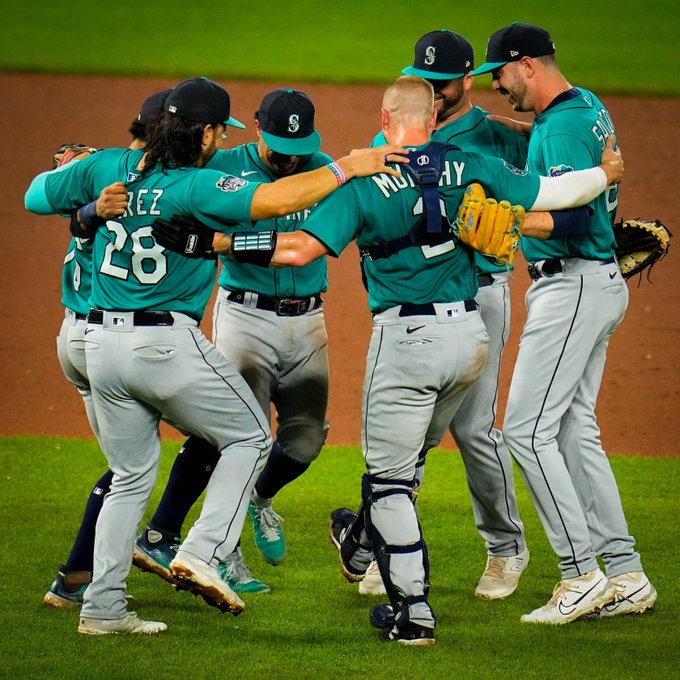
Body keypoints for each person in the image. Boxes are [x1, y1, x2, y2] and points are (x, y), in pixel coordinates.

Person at [162, 76, 623, 645]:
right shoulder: (471, 164)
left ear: (385, 121)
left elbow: (300, 248)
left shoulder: (362, 182)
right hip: (469, 340)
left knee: (390, 481)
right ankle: (359, 544)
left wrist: (218, 244)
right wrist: (608, 174)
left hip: (406, 341)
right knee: (416, 451)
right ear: (433, 121)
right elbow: (555, 196)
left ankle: (413, 612)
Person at [25, 76, 405, 635]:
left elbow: (36, 194)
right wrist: (349, 165)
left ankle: (102, 608)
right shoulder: (195, 185)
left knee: (130, 476)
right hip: (162, 344)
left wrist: (87, 207)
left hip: (98, 342)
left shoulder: (104, 167)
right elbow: (274, 199)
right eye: (216, 131)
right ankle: (204, 551)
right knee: (251, 437)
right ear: (204, 133)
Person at [472, 22, 657, 624]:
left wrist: (506, 216)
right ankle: (626, 575)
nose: (498, 85)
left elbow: (573, 223)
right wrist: (517, 131)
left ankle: (580, 575)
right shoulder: (584, 107)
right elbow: (561, 148)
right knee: (575, 430)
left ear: (526, 65)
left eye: (499, 73)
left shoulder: (564, 126)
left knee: (525, 432)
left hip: (573, 283)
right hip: (595, 285)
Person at [132, 88, 335, 595]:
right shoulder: (221, 169)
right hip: (245, 318)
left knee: (306, 440)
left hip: (309, 321)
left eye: (299, 147)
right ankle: (223, 554)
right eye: (278, 147)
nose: (290, 158)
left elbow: (308, 248)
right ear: (256, 129)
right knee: (231, 434)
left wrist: (219, 242)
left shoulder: (324, 167)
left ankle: (260, 500)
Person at [363, 29, 531, 601]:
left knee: (473, 427)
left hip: (480, 291)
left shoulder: (499, 136)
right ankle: (385, 540)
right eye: (423, 81)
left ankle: (506, 549)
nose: (432, 92)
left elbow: (546, 183)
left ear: (467, 81)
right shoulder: (396, 133)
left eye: (442, 83)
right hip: (415, 302)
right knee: (409, 431)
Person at [44, 88, 172, 608]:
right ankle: (102, 574)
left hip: (72, 337)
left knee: (127, 465)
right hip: (104, 337)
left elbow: (52, 199)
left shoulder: (89, 213)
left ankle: (76, 578)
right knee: (134, 468)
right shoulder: (131, 199)